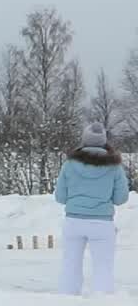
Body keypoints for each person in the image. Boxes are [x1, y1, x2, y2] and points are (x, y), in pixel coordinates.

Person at [53, 122, 130, 295]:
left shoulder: (69, 164)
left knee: (70, 265)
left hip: (73, 221)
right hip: (102, 224)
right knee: (103, 268)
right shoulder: (114, 166)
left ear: (84, 141)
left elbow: (60, 197)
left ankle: (66, 301)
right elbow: (121, 198)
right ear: (104, 141)